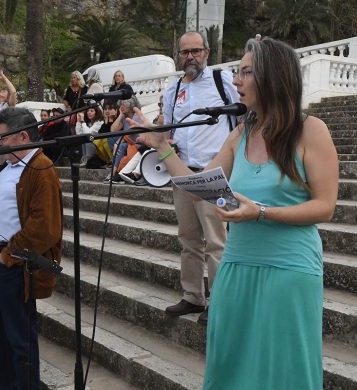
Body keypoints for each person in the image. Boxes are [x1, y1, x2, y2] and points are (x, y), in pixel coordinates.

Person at [135, 36, 338, 390]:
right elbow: (200, 188)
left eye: (245, 72)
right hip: (236, 266)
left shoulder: (311, 130)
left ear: (272, 76)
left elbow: (325, 206)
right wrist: (164, 148)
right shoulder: (241, 134)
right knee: (230, 363)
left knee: (282, 368)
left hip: (289, 269)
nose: (235, 81)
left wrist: (260, 212)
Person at [158, 31, 240, 324]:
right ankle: (193, 296)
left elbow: (244, 119)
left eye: (195, 51)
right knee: (188, 238)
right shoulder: (173, 89)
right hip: (182, 172)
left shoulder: (224, 81)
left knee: (216, 241)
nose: (190, 57)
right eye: (184, 52)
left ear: (207, 52)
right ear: (178, 55)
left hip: (215, 173)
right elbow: (168, 128)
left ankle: (220, 302)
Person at [0, 107, 62, 389]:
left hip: (13, 263)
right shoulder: (9, 166)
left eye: (2, 138)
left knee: (18, 336)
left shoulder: (40, 169)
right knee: (0, 333)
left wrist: (8, 255)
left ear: (23, 136)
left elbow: (45, 227)